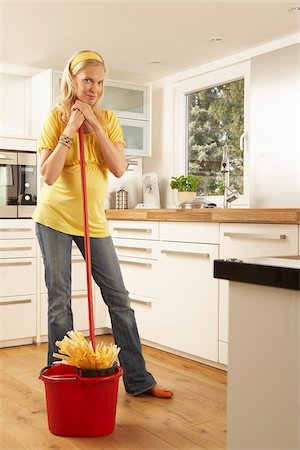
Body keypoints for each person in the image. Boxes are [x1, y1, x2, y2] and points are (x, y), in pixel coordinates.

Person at [33, 50, 173, 398]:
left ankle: (139, 380)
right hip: (54, 220)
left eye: (99, 82)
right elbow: (48, 175)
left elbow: (119, 168)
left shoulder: (108, 119)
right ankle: (64, 381)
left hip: (94, 222)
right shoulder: (54, 118)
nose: (93, 88)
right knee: (60, 301)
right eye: (87, 81)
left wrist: (94, 124)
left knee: (119, 299)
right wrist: (70, 128)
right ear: (73, 80)